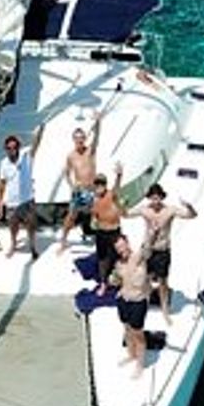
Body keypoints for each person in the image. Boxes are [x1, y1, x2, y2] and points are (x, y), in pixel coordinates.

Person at [137, 184, 197, 323]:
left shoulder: (170, 210)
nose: (155, 201)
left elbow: (192, 216)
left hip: (162, 251)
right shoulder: (144, 210)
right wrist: (121, 204)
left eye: (157, 198)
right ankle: (144, 303)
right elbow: (126, 214)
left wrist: (189, 206)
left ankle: (164, 309)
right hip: (147, 249)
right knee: (145, 278)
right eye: (152, 198)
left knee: (163, 281)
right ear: (149, 198)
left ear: (162, 197)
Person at [57, 111, 106, 253]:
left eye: (82, 138)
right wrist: (72, 185)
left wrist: (98, 122)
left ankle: (101, 239)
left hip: (93, 189)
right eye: (77, 139)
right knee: (71, 216)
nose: (80, 141)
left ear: (85, 139)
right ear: (73, 140)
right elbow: (66, 173)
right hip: (79, 190)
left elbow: (97, 137)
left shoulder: (90, 151)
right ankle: (63, 241)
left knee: (99, 214)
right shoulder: (71, 156)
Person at [0, 125, 44, 258]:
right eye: (9, 148)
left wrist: (39, 132)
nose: (12, 150)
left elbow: (35, 146)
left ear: (18, 148)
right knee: (13, 226)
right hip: (12, 202)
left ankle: (32, 246)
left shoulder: (26, 158)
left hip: (27, 200)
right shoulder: (3, 164)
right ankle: (13, 244)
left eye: (14, 147)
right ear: (5, 149)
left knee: (31, 226)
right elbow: (2, 183)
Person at [110, 235, 152, 368]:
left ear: (127, 243)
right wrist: (113, 281)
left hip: (138, 302)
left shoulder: (138, 258)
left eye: (122, 245)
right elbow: (117, 280)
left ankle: (140, 365)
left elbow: (146, 246)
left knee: (138, 334)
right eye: (118, 248)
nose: (121, 250)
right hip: (123, 300)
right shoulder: (118, 263)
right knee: (127, 330)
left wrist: (152, 232)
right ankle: (131, 355)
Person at [89, 163, 125, 294]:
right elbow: (94, 216)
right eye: (97, 184)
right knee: (102, 259)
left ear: (105, 185)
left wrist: (119, 175)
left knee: (118, 258)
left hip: (114, 232)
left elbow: (117, 188)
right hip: (101, 233)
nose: (100, 187)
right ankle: (103, 283)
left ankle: (120, 281)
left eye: (102, 184)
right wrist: (93, 220)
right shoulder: (94, 200)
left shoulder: (111, 195)